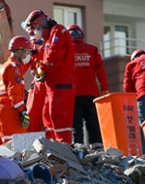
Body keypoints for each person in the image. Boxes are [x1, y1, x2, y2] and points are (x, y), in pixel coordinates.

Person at [25, 10, 75, 144]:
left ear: (39, 23)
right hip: (51, 85)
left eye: (34, 29)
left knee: (58, 117)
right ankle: (52, 146)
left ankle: (63, 147)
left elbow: (54, 52)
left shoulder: (58, 31)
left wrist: (42, 68)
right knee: (47, 116)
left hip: (60, 84)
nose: (35, 33)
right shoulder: (46, 39)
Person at [68, 24, 109, 147]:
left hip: (73, 94)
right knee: (93, 121)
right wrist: (105, 89)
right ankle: (97, 146)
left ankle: (78, 146)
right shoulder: (92, 50)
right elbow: (100, 72)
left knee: (76, 123)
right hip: (91, 93)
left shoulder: (66, 51)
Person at [0, 36, 31, 143]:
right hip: (9, 112)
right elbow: (14, 93)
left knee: (8, 145)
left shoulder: (4, 67)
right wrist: (22, 111)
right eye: (26, 51)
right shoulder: (14, 68)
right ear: (18, 52)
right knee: (17, 147)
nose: (28, 55)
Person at [21, 21, 46, 133]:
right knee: (31, 117)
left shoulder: (51, 44)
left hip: (47, 85)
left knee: (47, 118)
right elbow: (19, 70)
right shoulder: (32, 46)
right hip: (39, 85)